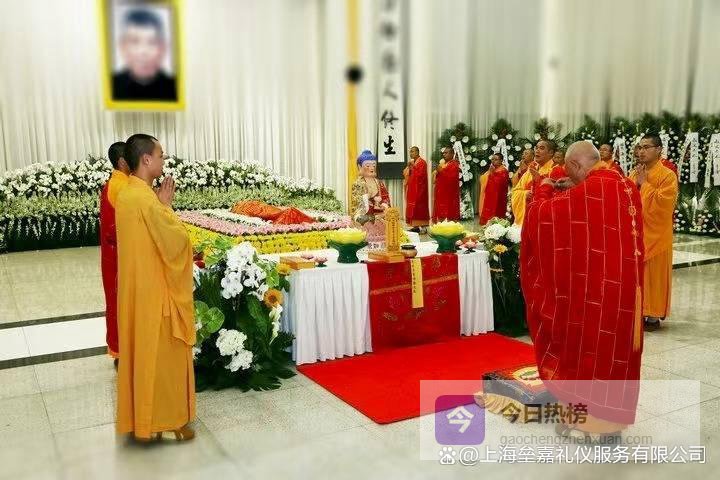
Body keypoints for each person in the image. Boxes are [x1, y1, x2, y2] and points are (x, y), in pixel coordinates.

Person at [521, 141, 645, 441]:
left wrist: (544, 189)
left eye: (570, 171)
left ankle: (588, 425)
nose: (568, 177)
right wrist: (574, 187)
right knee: (616, 358)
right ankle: (612, 427)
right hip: (625, 292)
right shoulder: (624, 184)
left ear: (576, 165)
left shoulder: (589, 191)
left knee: (586, 355)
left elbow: (541, 218)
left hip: (593, 294)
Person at [115, 134, 195, 442]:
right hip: (156, 297)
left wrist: (160, 205)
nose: (164, 160)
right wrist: (166, 207)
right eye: (161, 155)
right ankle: (167, 420)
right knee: (165, 361)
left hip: (137, 294)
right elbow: (176, 242)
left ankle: (143, 420)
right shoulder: (146, 200)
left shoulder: (127, 194)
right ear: (146, 160)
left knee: (143, 358)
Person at [629, 134, 678, 329]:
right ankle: (637, 311)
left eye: (646, 147)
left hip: (657, 235)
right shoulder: (634, 173)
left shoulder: (667, 175)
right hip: (636, 234)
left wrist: (644, 184)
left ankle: (652, 315)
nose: (641, 151)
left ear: (658, 150)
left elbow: (664, 205)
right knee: (637, 276)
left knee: (653, 276)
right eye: (640, 147)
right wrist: (637, 182)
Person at [99, 142, 130, 366]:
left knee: (116, 302)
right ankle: (124, 352)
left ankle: (121, 351)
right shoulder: (122, 187)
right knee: (122, 303)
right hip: (121, 257)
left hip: (113, 256)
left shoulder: (116, 183)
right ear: (122, 162)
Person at [112, 9, 177, 101]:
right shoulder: (110, 85)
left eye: (152, 42)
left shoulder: (176, 88)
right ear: (122, 47)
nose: (143, 51)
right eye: (134, 42)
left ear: (163, 48)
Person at [510, 139, 556, 225]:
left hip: (543, 219)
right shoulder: (531, 169)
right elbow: (516, 191)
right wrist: (525, 194)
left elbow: (555, 198)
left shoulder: (555, 170)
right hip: (526, 217)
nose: (537, 151)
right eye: (536, 148)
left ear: (551, 153)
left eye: (541, 148)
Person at [350, 150, 391, 243]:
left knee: (390, 216)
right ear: (360, 167)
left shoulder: (379, 183)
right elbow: (357, 203)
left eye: (373, 165)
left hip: (379, 213)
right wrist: (367, 197)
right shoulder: (358, 183)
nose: (371, 168)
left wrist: (384, 205)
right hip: (365, 213)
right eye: (368, 166)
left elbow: (386, 198)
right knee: (361, 219)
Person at [403, 146, 430, 232]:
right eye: (410, 152)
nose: (411, 153)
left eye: (413, 151)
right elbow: (406, 174)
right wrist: (409, 168)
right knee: (412, 207)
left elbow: (421, 175)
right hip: (412, 188)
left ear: (417, 152)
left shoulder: (422, 162)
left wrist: (413, 166)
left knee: (420, 208)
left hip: (420, 189)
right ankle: (415, 227)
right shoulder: (412, 162)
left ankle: (424, 227)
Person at [477, 153, 509, 225]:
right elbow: (483, 179)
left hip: (498, 198)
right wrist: (490, 173)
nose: (493, 161)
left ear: (501, 160)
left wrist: (492, 174)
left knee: (496, 216)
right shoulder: (492, 169)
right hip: (489, 195)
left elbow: (499, 183)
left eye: (496, 159)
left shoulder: (503, 171)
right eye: (492, 159)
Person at [432, 146, 461, 221]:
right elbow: (438, 177)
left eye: (446, 153)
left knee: (449, 215)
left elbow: (451, 178)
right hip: (441, 192)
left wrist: (441, 170)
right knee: (440, 212)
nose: (444, 154)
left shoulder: (454, 164)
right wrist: (437, 172)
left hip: (449, 194)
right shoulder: (444, 164)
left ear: (452, 154)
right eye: (443, 153)